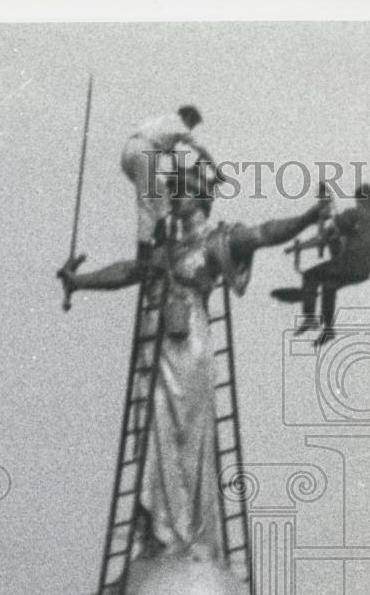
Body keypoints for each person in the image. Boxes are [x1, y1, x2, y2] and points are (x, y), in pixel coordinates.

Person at [58, 167, 327, 560]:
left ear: (200, 196)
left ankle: (189, 534)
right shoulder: (162, 249)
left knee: (190, 438)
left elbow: (265, 233)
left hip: (191, 348)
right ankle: (157, 529)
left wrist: (307, 218)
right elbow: (129, 271)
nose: (171, 196)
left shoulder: (218, 240)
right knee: (152, 435)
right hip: (156, 349)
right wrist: (79, 282)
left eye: (180, 190)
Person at [271, 183, 370, 346]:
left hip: (348, 263)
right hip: (364, 271)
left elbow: (325, 237)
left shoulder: (354, 214)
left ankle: (310, 318)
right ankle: (328, 330)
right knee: (329, 286)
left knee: (311, 275)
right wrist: (369, 239)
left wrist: (299, 247)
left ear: (360, 199)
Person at [120, 105, 220, 264]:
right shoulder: (179, 125)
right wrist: (217, 171)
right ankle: (144, 253)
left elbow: (165, 145)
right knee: (148, 202)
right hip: (144, 151)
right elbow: (201, 149)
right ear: (187, 118)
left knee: (160, 196)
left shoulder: (160, 122)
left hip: (129, 152)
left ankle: (160, 239)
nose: (190, 129)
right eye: (191, 125)